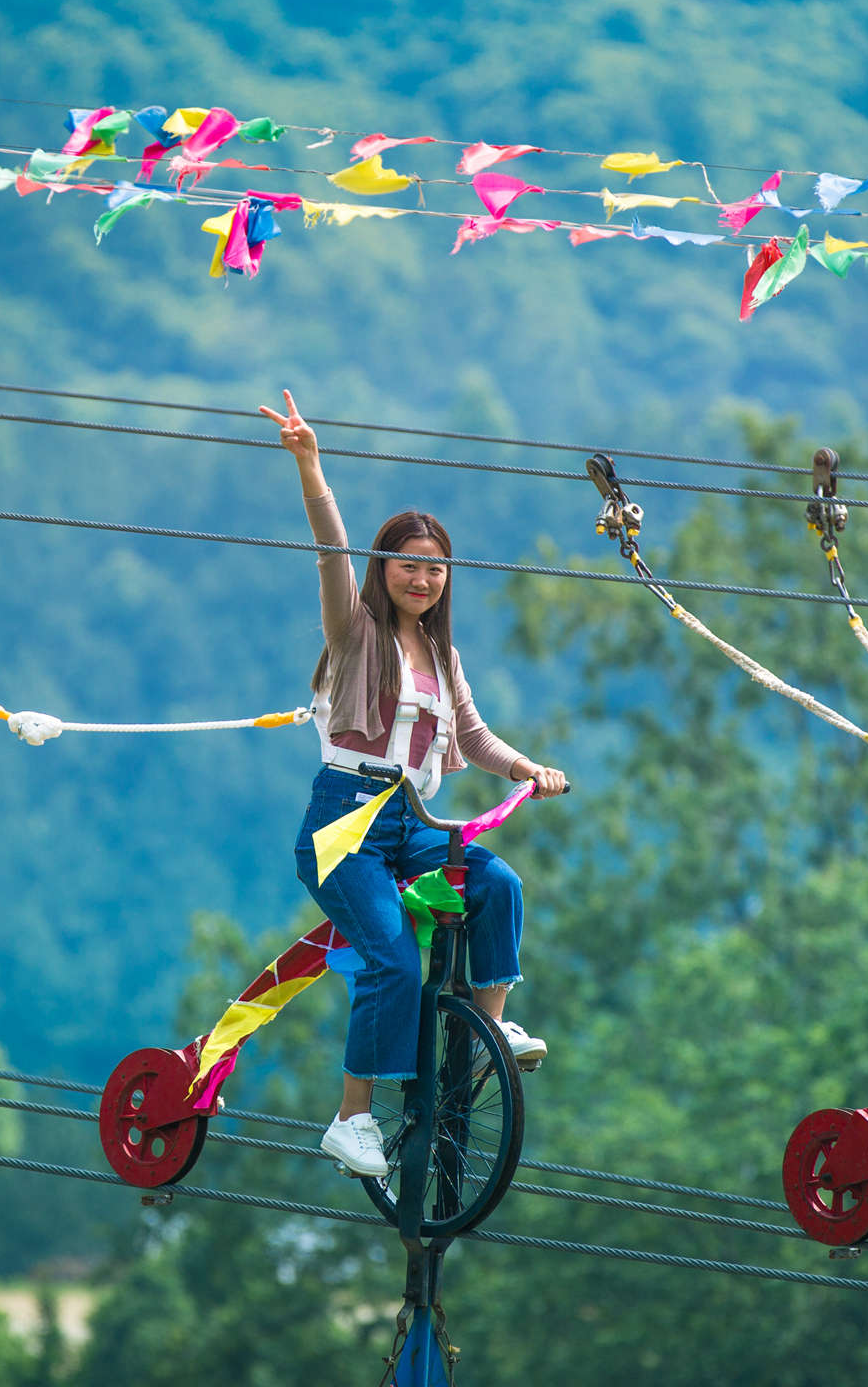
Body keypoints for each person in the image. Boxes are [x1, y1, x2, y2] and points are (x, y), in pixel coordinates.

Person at [259, 390, 569, 1179]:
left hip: (409, 820)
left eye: (435, 568)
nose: (423, 579)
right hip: (345, 825)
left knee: (494, 881)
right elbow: (330, 551)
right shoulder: (355, 634)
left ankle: (489, 1028)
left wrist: (526, 768)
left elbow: (472, 737)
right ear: (384, 569)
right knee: (392, 961)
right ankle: (352, 1117)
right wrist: (311, 465)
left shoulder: (444, 658)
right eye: (409, 565)